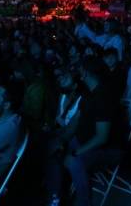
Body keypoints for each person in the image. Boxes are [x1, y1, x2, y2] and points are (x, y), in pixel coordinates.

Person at [46, 57, 123, 206]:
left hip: (110, 149)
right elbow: (74, 124)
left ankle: (84, 202)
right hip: (85, 140)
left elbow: (102, 138)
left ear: (86, 73)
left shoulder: (103, 96)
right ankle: (55, 198)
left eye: (79, 69)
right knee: (53, 148)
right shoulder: (88, 94)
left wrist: (75, 152)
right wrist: (60, 141)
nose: (77, 72)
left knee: (72, 161)